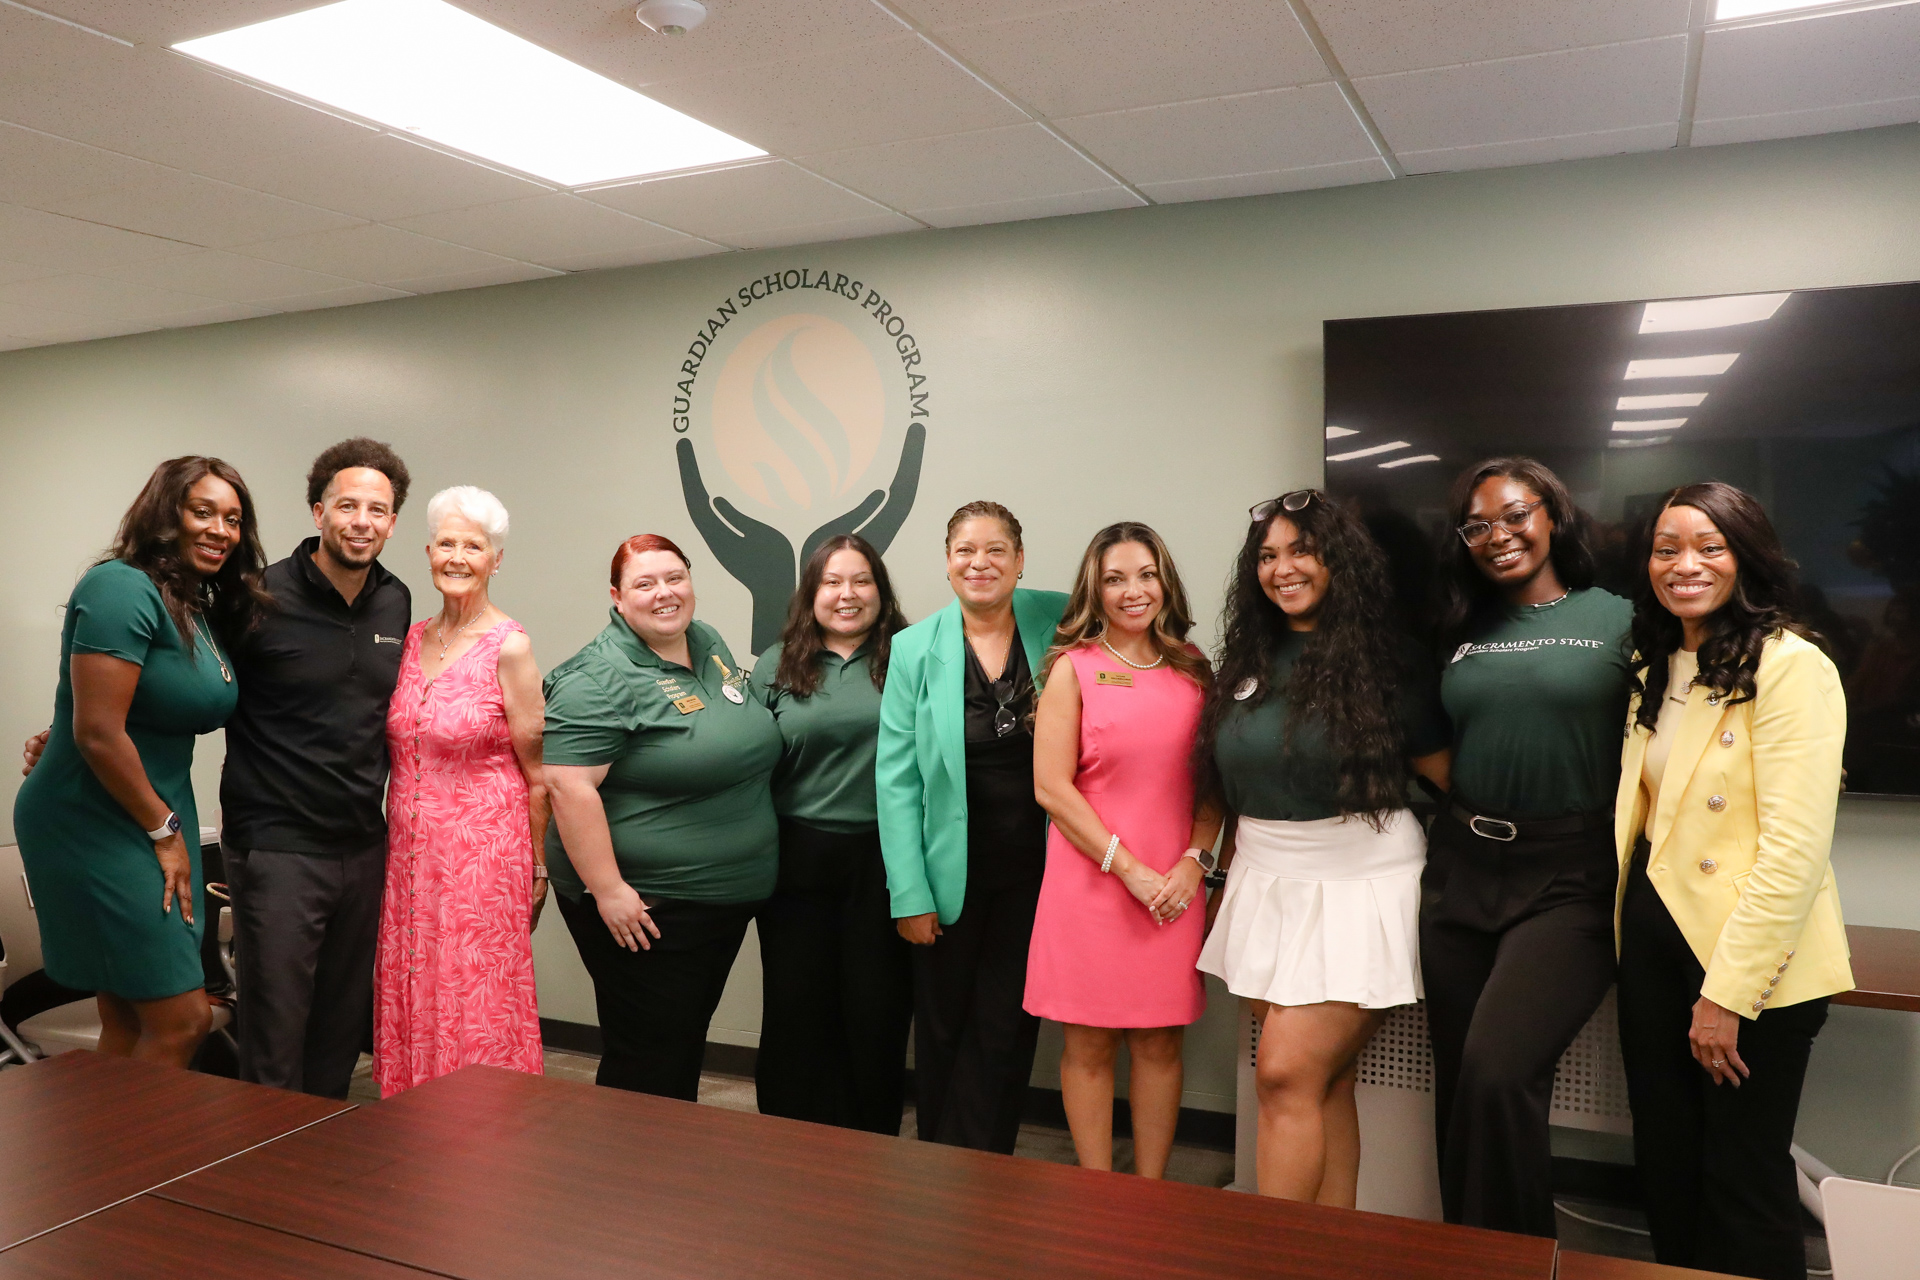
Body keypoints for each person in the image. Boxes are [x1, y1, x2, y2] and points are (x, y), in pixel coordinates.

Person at [1615, 483, 1852, 1280]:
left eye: (1709, 546)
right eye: (1666, 547)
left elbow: (1794, 848)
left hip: (1746, 958)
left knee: (1742, 1181)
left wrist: (1728, 994)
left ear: (1747, 557)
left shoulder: (1793, 666)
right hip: (1654, 936)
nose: (1684, 564)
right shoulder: (1658, 660)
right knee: (1668, 1168)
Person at [1195, 492, 1449, 1202]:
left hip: (1361, 883)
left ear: (1339, 559)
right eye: (1269, 556)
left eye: (1301, 551)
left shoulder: (1391, 660)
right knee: (1321, 1081)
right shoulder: (1248, 656)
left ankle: (1275, 1261)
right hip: (1267, 879)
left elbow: (1449, 780)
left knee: (1283, 1074)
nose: (1283, 569)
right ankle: (1337, 1254)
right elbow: (1224, 777)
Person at [1421, 457, 1633, 1236]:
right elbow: (1423, 734)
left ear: (1553, 515)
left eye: (1515, 515)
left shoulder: (1619, 619)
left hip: (1568, 877)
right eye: (1478, 525)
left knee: (1498, 1072)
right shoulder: (1458, 627)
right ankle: (1467, 1254)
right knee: (1459, 1087)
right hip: (1462, 869)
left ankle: (1515, 1261)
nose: (1497, 535)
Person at [14, 456, 269, 1066]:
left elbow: (125, 705)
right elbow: (100, 732)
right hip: (96, 817)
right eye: (201, 511)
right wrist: (165, 831)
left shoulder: (195, 603)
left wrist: (68, 730)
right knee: (182, 1020)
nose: (219, 530)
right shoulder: (119, 586)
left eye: (232, 520)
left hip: (154, 806)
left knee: (130, 1013)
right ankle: (143, 1160)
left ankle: (102, 1154)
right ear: (165, 513)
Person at [543, 534, 781, 1100]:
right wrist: (609, 891)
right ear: (617, 598)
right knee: (649, 1058)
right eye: (645, 584)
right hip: (649, 905)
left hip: (718, 902)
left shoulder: (706, 641)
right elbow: (568, 786)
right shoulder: (595, 678)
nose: (665, 593)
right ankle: (631, 1180)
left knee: (678, 1044)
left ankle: (669, 1171)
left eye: (675, 577)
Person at [1025, 522, 1218, 1178]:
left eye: (1145, 574)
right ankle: (1098, 1192)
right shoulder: (1072, 670)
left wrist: (1195, 862)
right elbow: (1051, 788)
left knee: (1162, 1045)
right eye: (1115, 578)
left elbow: (1213, 785)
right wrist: (1127, 869)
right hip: (1093, 887)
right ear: (1094, 590)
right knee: (1088, 1045)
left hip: (1175, 887)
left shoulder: (1195, 670)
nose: (1132, 591)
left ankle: (1150, 1192)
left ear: (1164, 581)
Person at [222, 439, 413, 1098]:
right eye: (348, 505)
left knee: (339, 1027)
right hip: (276, 845)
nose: (362, 521)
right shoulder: (255, 595)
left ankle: (320, 1157)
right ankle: (263, 1180)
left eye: (379, 510)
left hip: (363, 844)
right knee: (275, 1032)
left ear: (393, 522)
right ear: (317, 511)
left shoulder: (397, 601)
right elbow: (180, 677)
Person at [877, 501, 1069, 1154]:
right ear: (947, 561)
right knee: (944, 1025)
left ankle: (992, 1165)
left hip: (1038, 873)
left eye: (995, 550)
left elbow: (1141, 628)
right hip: (946, 874)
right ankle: (943, 1167)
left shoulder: (1061, 618)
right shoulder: (913, 648)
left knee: (1009, 1025)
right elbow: (896, 782)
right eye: (965, 550)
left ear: (1020, 561)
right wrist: (910, 894)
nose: (979, 563)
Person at [374, 486, 548, 1096]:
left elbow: (537, 770)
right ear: (427, 552)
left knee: (473, 989)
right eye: (446, 543)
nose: (457, 556)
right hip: (411, 857)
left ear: (495, 560)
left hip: (483, 857)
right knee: (414, 979)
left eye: (472, 546)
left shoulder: (511, 646)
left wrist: (540, 867)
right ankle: (411, 1118)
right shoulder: (410, 638)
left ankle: (482, 1135)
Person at [748, 534, 913, 1134]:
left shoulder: (912, 655)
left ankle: (871, 1143)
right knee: (797, 1005)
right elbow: (748, 763)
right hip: (797, 857)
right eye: (831, 582)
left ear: (881, 589)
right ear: (811, 594)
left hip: (886, 857)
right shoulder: (777, 662)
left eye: (861, 581)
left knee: (877, 1008)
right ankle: (788, 1139)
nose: (847, 595)